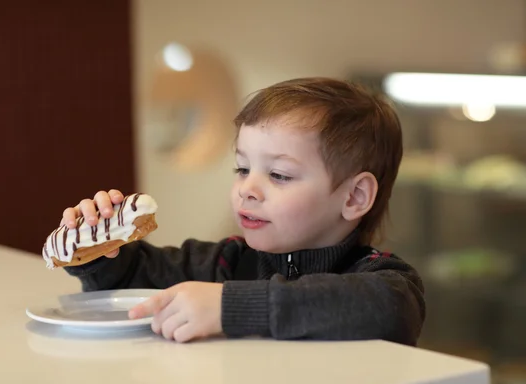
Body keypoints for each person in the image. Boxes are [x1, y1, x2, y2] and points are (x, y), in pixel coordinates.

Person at [58, 77, 425, 345]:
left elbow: (389, 311)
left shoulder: (385, 279)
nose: (247, 189)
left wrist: (229, 306)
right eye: (242, 168)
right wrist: (100, 249)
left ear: (354, 197)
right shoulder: (229, 262)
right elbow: (135, 280)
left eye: (279, 175)